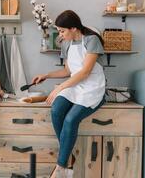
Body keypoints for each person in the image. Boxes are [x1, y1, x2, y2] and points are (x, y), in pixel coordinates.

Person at [32, 10, 106, 177]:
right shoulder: (66, 43)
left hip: (92, 86)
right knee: (56, 109)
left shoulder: (91, 40)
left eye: (62, 30)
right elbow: (68, 70)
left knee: (71, 119)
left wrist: (59, 88)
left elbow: (85, 72)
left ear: (74, 28)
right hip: (75, 84)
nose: (60, 34)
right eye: (59, 30)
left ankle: (61, 166)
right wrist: (47, 75)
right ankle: (68, 157)